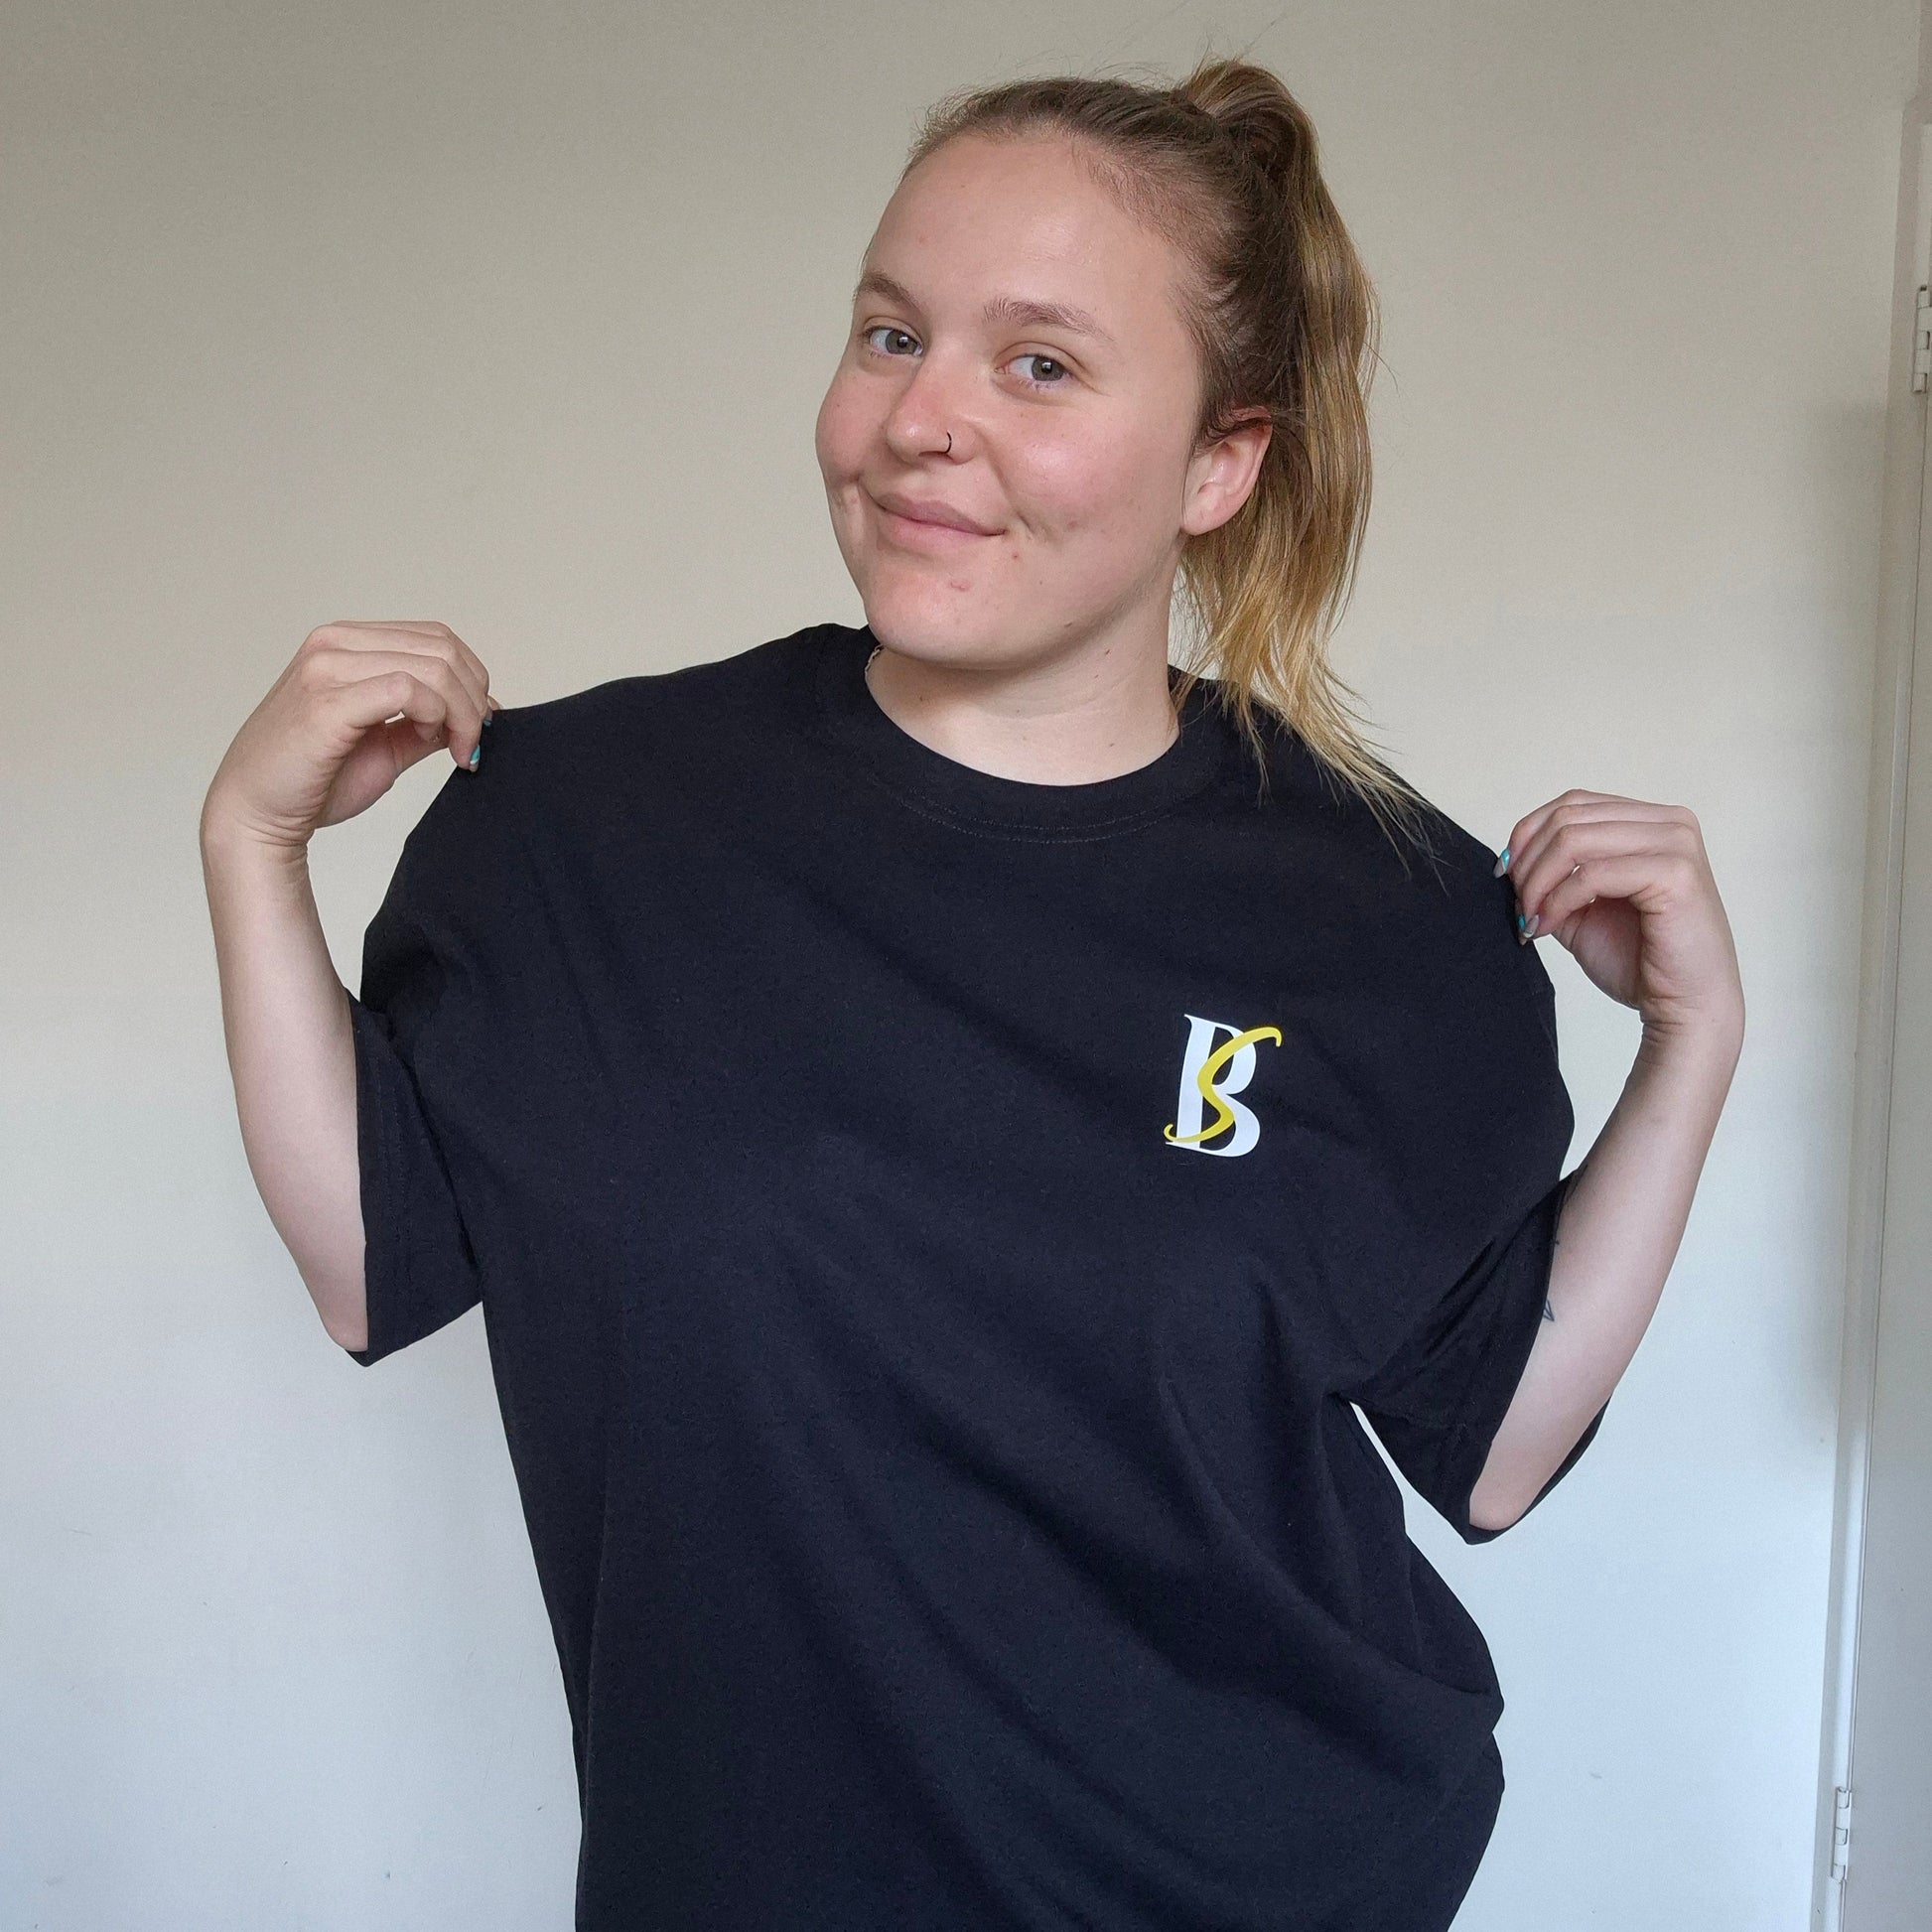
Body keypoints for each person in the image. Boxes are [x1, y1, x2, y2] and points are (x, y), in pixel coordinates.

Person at [199, 54, 1745, 1932]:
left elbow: (1489, 1447)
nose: (921, 419)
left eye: (1039, 364)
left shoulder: (1390, 907)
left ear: (1218, 462)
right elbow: (381, 1260)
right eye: (887, 331)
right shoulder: (581, 826)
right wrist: (250, 848)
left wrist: (1688, 1049)